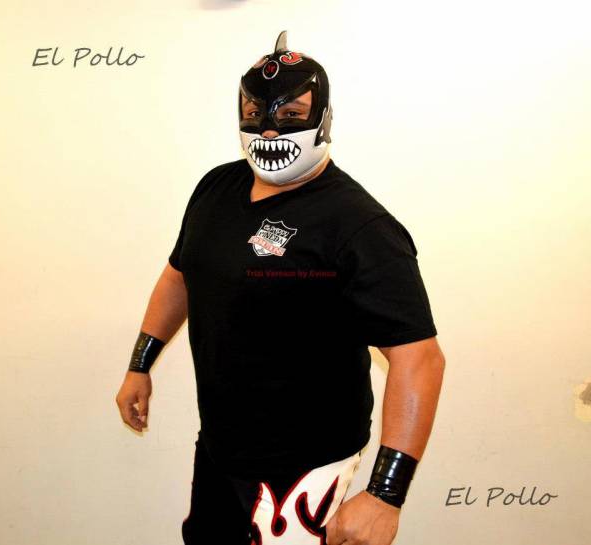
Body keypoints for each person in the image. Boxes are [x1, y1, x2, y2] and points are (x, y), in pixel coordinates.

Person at [115, 31, 445, 545]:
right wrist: (140, 364)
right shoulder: (216, 188)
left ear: (324, 118)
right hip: (221, 447)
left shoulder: (359, 225)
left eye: (291, 114)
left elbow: (419, 358)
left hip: (305, 466)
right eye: (256, 112)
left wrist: (385, 494)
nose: (270, 129)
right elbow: (180, 275)